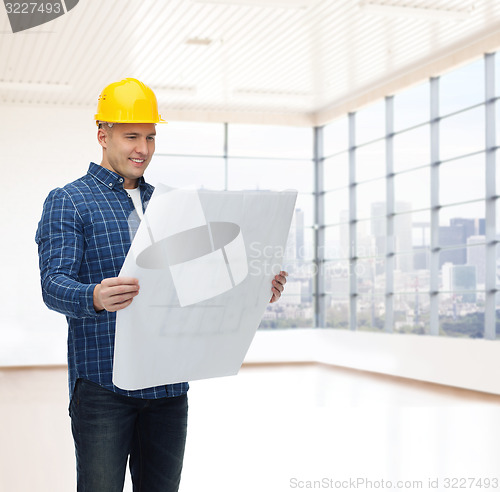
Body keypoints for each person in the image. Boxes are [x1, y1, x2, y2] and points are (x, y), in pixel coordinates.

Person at [35, 77, 288, 492]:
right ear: (103, 135)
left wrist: (257, 286)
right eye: (132, 135)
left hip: (169, 386)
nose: (144, 148)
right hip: (103, 386)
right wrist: (94, 296)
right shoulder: (69, 200)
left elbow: (197, 283)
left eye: (151, 136)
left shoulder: (171, 203)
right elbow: (52, 285)